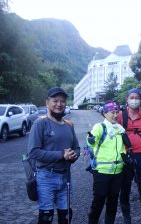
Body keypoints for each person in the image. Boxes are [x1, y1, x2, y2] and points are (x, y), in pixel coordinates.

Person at [28, 86, 80, 224]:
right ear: (47, 102)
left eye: (62, 101)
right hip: (45, 176)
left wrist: (73, 155)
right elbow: (33, 152)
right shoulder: (40, 123)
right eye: (55, 100)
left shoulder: (69, 125)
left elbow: (77, 148)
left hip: (66, 176)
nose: (59, 104)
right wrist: (61, 155)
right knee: (46, 216)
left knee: (66, 215)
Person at [118, 88, 141, 224]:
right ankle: (127, 220)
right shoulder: (121, 115)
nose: (134, 100)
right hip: (125, 157)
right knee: (125, 189)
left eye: (137, 97)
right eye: (131, 97)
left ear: (140, 100)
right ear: (127, 99)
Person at [87, 101, 126, 224]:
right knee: (98, 201)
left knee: (113, 202)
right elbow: (90, 144)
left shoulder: (120, 129)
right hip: (102, 172)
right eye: (112, 112)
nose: (115, 115)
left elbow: (122, 148)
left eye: (117, 112)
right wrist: (91, 140)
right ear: (104, 113)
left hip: (118, 171)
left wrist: (127, 158)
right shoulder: (99, 127)